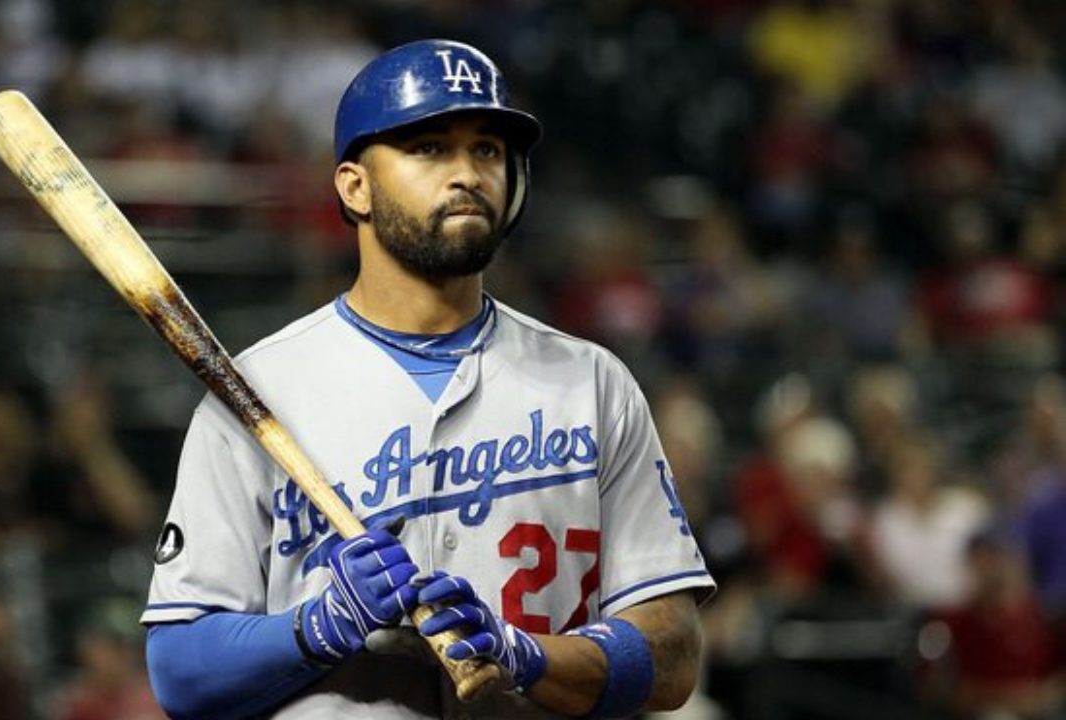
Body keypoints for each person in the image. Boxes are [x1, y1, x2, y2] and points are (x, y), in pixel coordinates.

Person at [142, 39, 715, 719]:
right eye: (429, 148)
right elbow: (179, 670)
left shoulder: (592, 383)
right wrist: (319, 626)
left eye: (488, 151)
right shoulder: (258, 391)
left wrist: (526, 655)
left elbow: (674, 653)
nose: (467, 172)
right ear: (354, 185)